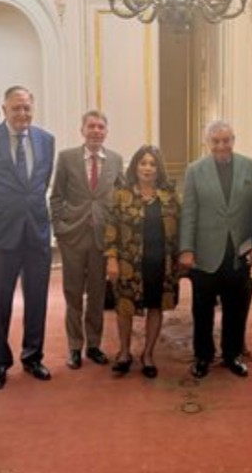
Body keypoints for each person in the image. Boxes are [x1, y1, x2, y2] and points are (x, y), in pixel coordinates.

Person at [0, 86, 56, 390]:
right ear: (4, 109)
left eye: (27, 108)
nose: (22, 113)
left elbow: (42, 182)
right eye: (16, 108)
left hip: (36, 232)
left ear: (33, 109)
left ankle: (33, 356)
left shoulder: (46, 140)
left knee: (37, 298)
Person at [179, 121, 252, 379]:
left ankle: (232, 355)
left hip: (239, 253)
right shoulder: (195, 170)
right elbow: (189, 212)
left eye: (226, 140)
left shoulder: (250, 167)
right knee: (202, 309)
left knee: (235, 307)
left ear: (233, 140)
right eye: (216, 141)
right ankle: (203, 356)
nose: (222, 146)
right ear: (208, 143)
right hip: (204, 252)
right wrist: (186, 249)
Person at [50, 111, 125, 369]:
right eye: (91, 126)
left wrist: (118, 234)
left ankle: (94, 345)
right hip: (73, 236)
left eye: (100, 127)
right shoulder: (66, 157)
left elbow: (121, 198)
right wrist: (59, 229)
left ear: (106, 131)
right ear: (82, 130)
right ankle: (74, 347)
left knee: (96, 294)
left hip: (102, 237)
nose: (96, 131)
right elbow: (56, 196)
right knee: (72, 293)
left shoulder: (115, 160)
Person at [105, 145, 181, 379]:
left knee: (155, 306)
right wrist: (111, 259)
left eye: (152, 164)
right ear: (135, 166)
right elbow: (111, 228)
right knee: (124, 308)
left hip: (161, 263)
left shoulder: (169, 196)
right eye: (143, 163)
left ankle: (148, 354)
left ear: (159, 169)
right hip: (129, 263)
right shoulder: (122, 194)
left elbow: (180, 228)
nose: (148, 168)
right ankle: (124, 352)